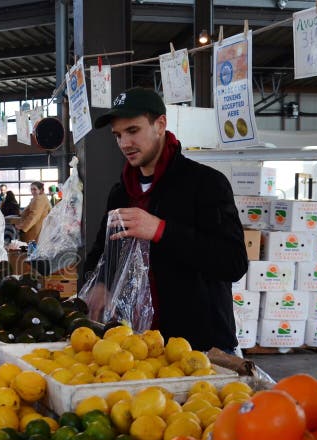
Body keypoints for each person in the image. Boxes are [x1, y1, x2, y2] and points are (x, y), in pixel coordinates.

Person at [84, 87, 247, 352]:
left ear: (160, 125)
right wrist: (100, 283)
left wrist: (161, 230)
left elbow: (233, 262)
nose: (124, 143)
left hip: (200, 350)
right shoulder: (121, 193)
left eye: (133, 130)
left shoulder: (206, 184)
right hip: (135, 349)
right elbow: (101, 253)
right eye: (118, 135)